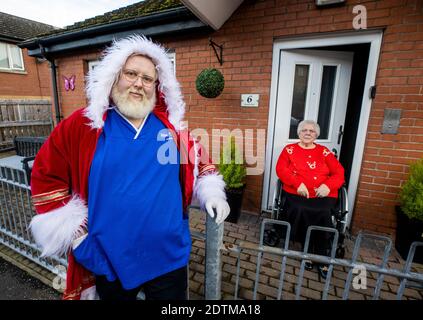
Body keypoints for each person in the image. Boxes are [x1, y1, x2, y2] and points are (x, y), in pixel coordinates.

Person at [29, 35, 230, 300]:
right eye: (131, 74)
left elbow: (200, 165)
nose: (139, 83)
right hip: (109, 259)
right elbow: (46, 176)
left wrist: (212, 193)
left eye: (147, 79)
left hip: (168, 257)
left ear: (156, 86)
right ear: (115, 76)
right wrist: (76, 235)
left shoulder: (170, 130)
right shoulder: (83, 126)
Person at [275, 120, 344, 279]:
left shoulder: (324, 152)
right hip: (297, 192)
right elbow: (281, 169)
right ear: (298, 133)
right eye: (304, 130)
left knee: (324, 211)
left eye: (311, 131)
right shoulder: (289, 150)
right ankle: (307, 251)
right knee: (301, 209)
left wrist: (328, 186)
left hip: (323, 193)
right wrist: (297, 183)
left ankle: (321, 254)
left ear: (316, 135)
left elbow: (339, 172)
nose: (307, 133)